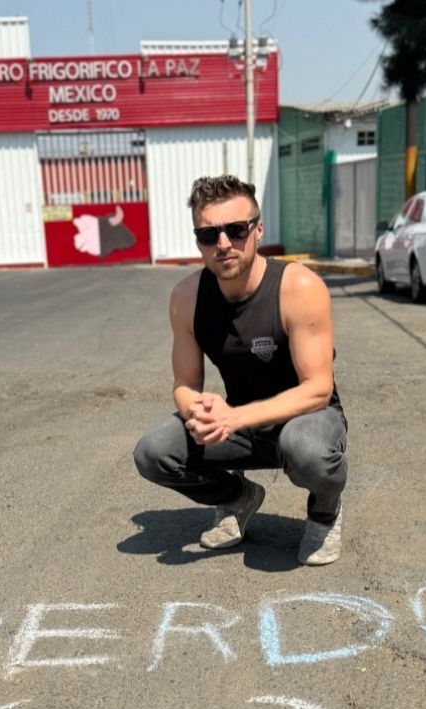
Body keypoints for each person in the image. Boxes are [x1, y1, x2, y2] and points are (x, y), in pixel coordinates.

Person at [133, 174, 347, 565]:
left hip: (308, 418)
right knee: (153, 452)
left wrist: (234, 417)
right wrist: (195, 410)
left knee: (307, 450)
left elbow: (317, 388)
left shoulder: (298, 286)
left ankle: (325, 512)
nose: (224, 244)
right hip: (241, 425)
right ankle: (237, 497)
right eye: (209, 235)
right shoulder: (187, 296)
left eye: (236, 229)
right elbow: (184, 383)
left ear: (258, 230)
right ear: (198, 239)